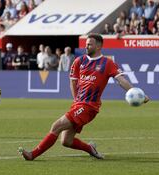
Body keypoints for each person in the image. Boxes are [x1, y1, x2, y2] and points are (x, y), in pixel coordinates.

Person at [18, 33, 150, 161]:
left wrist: (138, 93)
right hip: (78, 104)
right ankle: (90, 149)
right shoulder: (79, 61)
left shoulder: (107, 63)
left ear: (98, 46)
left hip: (89, 106)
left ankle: (32, 155)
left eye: (90, 44)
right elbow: (73, 81)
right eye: (86, 44)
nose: (86, 47)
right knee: (66, 141)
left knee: (56, 126)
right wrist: (76, 100)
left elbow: (121, 80)